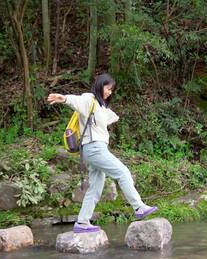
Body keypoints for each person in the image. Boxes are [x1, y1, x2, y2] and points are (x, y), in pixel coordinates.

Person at [47, 73, 158, 233]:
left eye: (112, 90)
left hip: (94, 150)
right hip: (94, 148)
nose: (109, 92)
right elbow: (77, 101)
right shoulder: (89, 99)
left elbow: (106, 117)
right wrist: (63, 98)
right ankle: (138, 207)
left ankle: (82, 222)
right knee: (122, 172)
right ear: (100, 85)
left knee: (96, 188)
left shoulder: (100, 106)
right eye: (108, 88)